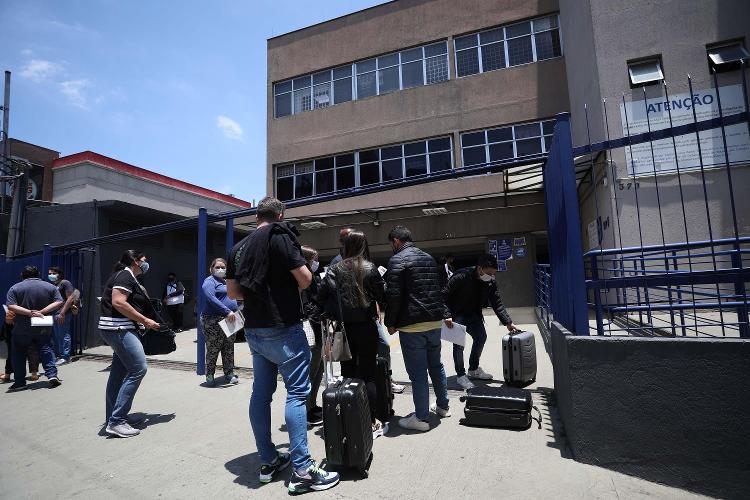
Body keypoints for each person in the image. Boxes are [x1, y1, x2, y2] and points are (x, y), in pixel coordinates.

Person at [226, 196, 339, 493]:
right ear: (280, 214)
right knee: (298, 395)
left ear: (257, 215)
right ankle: (302, 470)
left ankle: (269, 459)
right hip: (284, 328)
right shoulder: (280, 237)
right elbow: (303, 279)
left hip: (254, 330)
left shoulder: (238, 248)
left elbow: (234, 293)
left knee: (261, 394)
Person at [317, 231, 387, 438]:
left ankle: (350, 415)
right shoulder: (370, 268)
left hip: (343, 328)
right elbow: (381, 297)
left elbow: (322, 296)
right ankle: (372, 420)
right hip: (366, 327)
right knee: (368, 374)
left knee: (347, 373)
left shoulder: (334, 269)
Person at [384, 226, 451, 432]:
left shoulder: (397, 260)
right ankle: (443, 406)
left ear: (396, 241)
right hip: (433, 321)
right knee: (436, 366)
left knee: (418, 373)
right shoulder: (428, 258)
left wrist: (390, 322)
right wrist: (444, 313)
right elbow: (438, 290)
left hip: (412, 325)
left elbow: (394, 295)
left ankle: (421, 418)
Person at [98, 250, 160, 438]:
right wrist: (145, 320)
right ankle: (117, 421)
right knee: (138, 368)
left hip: (117, 329)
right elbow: (119, 302)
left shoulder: (125, 275)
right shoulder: (125, 275)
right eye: (144, 260)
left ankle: (114, 417)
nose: (146, 263)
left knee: (118, 373)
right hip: (119, 330)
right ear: (135, 261)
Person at [444, 254, 518, 390]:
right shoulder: (461, 276)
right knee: (459, 345)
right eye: (489, 273)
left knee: (481, 338)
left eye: (494, 273)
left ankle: (473, 369)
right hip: (457, 314)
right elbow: (444, 295)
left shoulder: (490, 282)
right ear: (479, 268)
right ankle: (461, 376)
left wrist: (508, 322)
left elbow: (497, 303)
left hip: (474, 314)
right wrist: (447, 315)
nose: (491, 276)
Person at [5, 266, 64, 391]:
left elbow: (11, 306)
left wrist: (29, 312)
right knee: (46, 348)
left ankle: (20, 381)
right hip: (42, 323)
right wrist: (41, 312)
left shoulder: (15, 288)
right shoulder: (50, 287)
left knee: (19, 353)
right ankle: (52, 375)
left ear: (22, 275)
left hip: (22, 326)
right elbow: (59, 302)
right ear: (38, 274)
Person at [200, 258, 239, 386]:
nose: (221, 269)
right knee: (213, 347)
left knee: (228, 347)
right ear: (211, 269)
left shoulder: (226, 281)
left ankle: (229, 373)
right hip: (213, 319)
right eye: (217, 267)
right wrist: (227, 311)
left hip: (231, 319)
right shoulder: (209, 281)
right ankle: (210, 375)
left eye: (223, 267)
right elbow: (210, 298)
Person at [300, 245, 325, 426]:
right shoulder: (302, 279)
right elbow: (307, 304)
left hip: (317, 326)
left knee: (319, 368)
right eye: (314, 259)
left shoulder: (313, 277)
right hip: (310, 327)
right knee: (311, 369)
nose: (316, 262)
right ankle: (306, 409)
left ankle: (313, 404)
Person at [1, 308, 41, 383]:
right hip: (25, 318)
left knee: (12, 351)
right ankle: (34, 373)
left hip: (15, 316)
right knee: (31, 349)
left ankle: (7, 375)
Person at [48, 266, 76, 364]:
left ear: (59, 274)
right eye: (50, 273)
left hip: (63, 313)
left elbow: (70, 298)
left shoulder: (65, 283)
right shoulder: (53, 285)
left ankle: (65, 357)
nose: (51, 275)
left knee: (64, 334)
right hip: (54, 313)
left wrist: (63, 312)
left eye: (53, 273)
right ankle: (59, 355)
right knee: (57, 335)